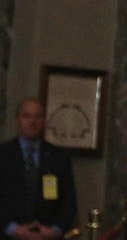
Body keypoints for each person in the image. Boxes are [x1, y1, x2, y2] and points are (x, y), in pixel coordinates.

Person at [0, 99, 77, 239]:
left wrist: (55, 230)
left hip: (47, 235)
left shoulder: (58, 157)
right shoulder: (3, 155)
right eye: (27, 116)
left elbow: (69, 202)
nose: (32, 122)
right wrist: (12, 229)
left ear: (44, 121)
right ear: (17, 119)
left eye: (37, 116)